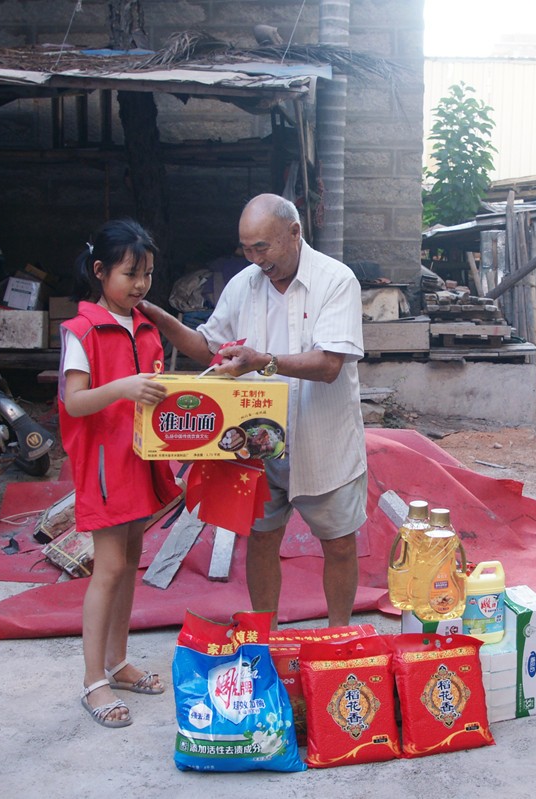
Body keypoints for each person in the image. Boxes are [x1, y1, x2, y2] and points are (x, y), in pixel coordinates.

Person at [141, 193, 367, 629]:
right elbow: (207, 346)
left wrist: (263, 361)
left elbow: (329, 364)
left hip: (323, 442)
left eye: (262, 247)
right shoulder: (244, 283)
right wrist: (159, 317)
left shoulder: (336, 280)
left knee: (339, 544)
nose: (254, 257)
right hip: (257, 443)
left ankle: (338, 636)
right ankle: (265, 638)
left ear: (294, 232)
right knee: (261, 541)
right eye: (246, 248)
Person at [58, 219, 183, 727]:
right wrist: (126, 387)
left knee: (130, 562)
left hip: (142, 460)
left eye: (148, 274)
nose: (140, 285)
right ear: (99, 271)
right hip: (107, 467)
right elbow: (74, 400)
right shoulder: (81, 331)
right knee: (108, 568)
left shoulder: (147, 328)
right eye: (130, 273)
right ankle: (93, 683)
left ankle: (118, 660)